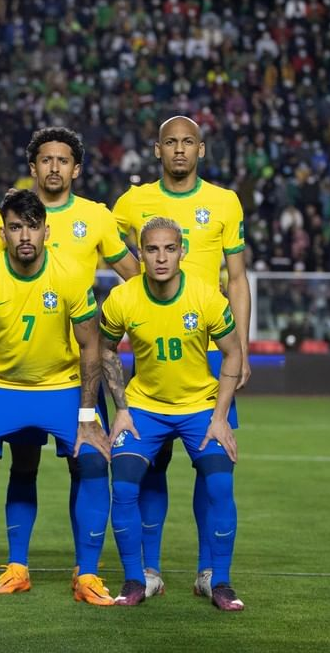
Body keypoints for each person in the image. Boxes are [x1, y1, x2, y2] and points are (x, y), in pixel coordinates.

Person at [0, 126, 139, 595]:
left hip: (70, 373)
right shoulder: (11, 214)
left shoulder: (96, 218)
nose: (55, 167)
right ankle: (16, 568)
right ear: (34, 166)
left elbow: (136, 277)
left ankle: (86, 573)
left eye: (63, 160)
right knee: (23, 466)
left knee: (86, 463)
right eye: (46, 160)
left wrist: (126, 323)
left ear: (76, 169)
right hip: (13, 370)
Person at [0, 190, 110, 605]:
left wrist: (89, 415)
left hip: (60, 387)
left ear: (46, 231)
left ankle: (87, 575)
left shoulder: (72, 273)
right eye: (16, 227)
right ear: (2, 233)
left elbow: (90, 345)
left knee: (92, 460)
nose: (25, 235)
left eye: (32, 227)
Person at [112, 115, 250, 597]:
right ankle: (147, 570)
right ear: (157, 150)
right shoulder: (132, 202)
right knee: (151, 463)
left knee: (210, 462)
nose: (178, 150)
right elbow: (110, 250)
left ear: (201, 150)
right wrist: (139, 290)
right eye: (170, 142)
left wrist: (243, 345)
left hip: (212, 345)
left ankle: (210, 570)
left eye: (187, 142)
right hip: (156, 345)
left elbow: (236, 278)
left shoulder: (224, 201)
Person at [99, 216, 244, 611]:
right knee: (125, 486)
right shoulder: (123, 298)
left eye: (169, 248)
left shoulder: (207, 296)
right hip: (144, 408)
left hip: (200, 407)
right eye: (151, 249)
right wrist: (122, 409)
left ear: (183, 251)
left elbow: (233, 352)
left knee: (219, 486)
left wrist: (220, 416)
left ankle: (220, 582)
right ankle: (137, 579)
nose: (161, 257)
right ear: (141, 254)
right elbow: (106, 349)